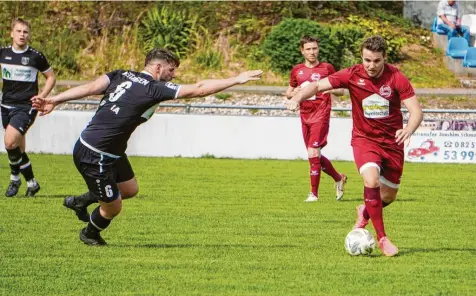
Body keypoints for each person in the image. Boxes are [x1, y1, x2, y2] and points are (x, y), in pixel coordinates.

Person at [32, 48, 262, 246]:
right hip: (95, 154)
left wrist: (55, 100)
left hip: (110, 150)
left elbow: (91, 87)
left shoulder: (121, 75)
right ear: (159, 68)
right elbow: (199, 88)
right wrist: (236, 79)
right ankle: (89, 233)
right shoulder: (153, 88)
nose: (173, 76)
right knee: (113, 208)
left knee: (130, 189)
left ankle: (80, 201)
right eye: (171, 71)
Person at [286, 36, 423, 256]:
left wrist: (409, 128)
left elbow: (416, 110)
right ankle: (382, 239)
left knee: (388, 196)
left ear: (384, 58)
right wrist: (298, 98)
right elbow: (318, 85)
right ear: (362, 57)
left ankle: (365, 211)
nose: (371, 65)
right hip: (364, 140)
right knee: (371, 180)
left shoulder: (396, 77)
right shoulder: (352, 74)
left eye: (376, 60)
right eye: (367, 60)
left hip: (392, 144)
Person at [285, 35, 347, 203]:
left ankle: (314, 194)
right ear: (302, 51)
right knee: (314, 156)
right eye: (309, 49)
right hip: (304, 115)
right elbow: (289, 93)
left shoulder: (327, 68)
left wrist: (330, 90)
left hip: (321, 114)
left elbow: (341, 91)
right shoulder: (297, 70)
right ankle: (338, 178)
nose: (312, 52)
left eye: (315, 48)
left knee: (313, 152)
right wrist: (295, 92)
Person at [0, 18, 56, 197]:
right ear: (11, 33)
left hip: (26, 106)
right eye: (18, 31)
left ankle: (15, 179)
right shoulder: (3, 53)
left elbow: (51, 77)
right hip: (6, 105)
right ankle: (32, 183)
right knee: (18, 148)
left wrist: (42, 97)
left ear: (29, 35)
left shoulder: (35, 56)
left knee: (9, 142)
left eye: (25, 32)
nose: (22, 35)